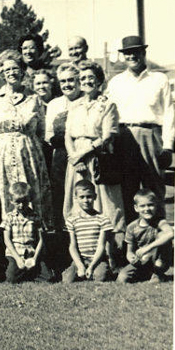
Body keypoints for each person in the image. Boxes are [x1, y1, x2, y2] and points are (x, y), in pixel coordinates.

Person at [107, 35, 174, 220]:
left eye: (135, 52)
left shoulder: (159, 79)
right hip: (124, 137)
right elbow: (108, 113)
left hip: (151, 135)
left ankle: (159, 242)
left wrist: (168, 146)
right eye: (128, 53)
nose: (132, 56)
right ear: (123, 56)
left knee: (154, 191)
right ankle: (131, 242)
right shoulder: (116, 82)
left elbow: (169, 113)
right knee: (128, 190)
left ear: (143, 53)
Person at [0, 50, 53, 227]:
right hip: (4, 160)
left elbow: (41, 131)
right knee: (7, 199)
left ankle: (36, 241)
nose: (11, 73)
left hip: (30, 159)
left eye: (15, 69)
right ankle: (9, 245)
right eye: (7, 70)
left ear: (23, 71)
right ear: (1, 73)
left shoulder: (34, 98)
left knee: (32, 199)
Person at [64, 61, 126, 239]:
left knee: (105, 202)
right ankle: (82, 246)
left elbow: (107, 137)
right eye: (82, 78)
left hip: (99, 159)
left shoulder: (108, 105)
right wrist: (74, 158)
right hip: (76, 161)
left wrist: (82, 155)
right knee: (79, 199)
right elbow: (68, 135)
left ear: (99, 81)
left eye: (90, 77)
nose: (86, 81)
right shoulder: (74, 106)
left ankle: (111, 250)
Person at [45, 63, 82, 230]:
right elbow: (48, 134)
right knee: (60, 197)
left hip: (82, 155)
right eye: (63, 81)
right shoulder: (54, 104)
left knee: (82, 195)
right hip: (60, 157)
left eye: (71, 80)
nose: (67, 84)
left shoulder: (87, 100)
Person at [1, 182, 54, 283]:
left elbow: (41, 240)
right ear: (11, 201)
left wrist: (34, 258)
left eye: (25, 202)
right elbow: (7, 240)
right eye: (18, 202)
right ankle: (24, 272)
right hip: (15, 254)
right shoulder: (9, 217)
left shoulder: (35, 217)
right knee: (10, 279)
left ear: (29, 200)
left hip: (32, 254)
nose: (21, 205)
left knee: (49, 279)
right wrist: (18, 259)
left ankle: (28, 272)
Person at [62, 180, 114, 283]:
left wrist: (92, 266)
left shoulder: (102, 219)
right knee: (67, 280)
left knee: (101, 277)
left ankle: (97, 271)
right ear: (75, 198)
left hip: (97, 259)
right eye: (82, 197)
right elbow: (72, 245)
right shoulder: (72, 220)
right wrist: (80, 265)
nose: (86, 200)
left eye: (89, 196)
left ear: (95, 196)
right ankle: (78, 272)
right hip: (80, 259)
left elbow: (101, 246)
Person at [117, 189, 173, 283]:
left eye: (150, 205)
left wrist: (147, 248)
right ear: (136, 208)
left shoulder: (160, 222)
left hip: (158, 261)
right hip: (142, 261)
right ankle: (146, 273)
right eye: (142, 206)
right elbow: (129, 252)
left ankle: (158, 273)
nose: (146, 209)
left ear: (156, 206)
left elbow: (171, 233)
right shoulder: (132, 227)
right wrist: (132, 258)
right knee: (122, 278)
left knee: (163, 235)